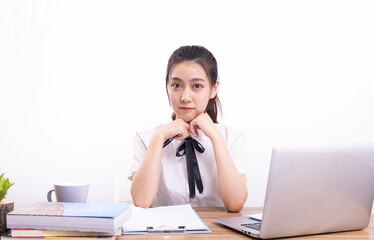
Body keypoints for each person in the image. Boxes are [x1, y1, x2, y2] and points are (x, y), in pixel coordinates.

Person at [128, 45, 248, 212]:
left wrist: (215, 136)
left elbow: (235, 204)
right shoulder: (147, 137)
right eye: (176, 85)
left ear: (213, 89)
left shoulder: (231, 137)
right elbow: (142, 202)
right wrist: (159, 137)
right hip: (164, 233)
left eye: (197, 86)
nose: (185, 98)